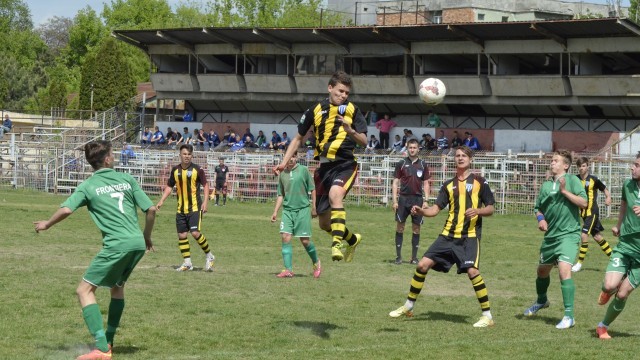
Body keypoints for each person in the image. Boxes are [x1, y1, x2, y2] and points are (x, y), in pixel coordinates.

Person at [33, 140, 156, 360]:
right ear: (107, 159)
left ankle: (101, 348)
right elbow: (151, 209)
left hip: (117, 245)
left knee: (84, 290)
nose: (114, 156)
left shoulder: (88, 186)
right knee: (117, 287)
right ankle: (108, 340)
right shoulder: (127, 179)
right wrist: (146, 236)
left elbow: (67, 209)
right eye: (113, 153)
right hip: (136, 243)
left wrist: (47, 224)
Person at [389, 146, 496, 328]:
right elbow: (435, 210)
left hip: (469, 236)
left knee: (472, 272)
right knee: (422, 265)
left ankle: (487, 316)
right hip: (447, 236)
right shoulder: (448, 185)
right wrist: (422, 211)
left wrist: (478, 210)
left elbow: (491, 208)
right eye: (457, 156)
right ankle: (408, 306)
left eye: (464, 156)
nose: (460, 158)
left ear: (470, 160)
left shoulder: (480, 182)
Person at [273, 71, 367, 262]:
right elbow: (298, 138)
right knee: (324, 224)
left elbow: (364, 141)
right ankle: (352, 239)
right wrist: (283, 163)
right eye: (340, 91)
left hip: (345, 164)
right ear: (330, 88)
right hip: (323, 169)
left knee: (335, 195)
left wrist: (350, 131)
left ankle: (337, 245)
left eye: (347, 93)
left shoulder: (353, 110)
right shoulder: (314, 110)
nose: (343, 95)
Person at [523, 150, 587, 329]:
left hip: (569, 234)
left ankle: (569, 316)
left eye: (556, 161)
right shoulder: (545, 185)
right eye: (552, 160)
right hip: (550, 237)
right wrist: (541, 219)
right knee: (542, 272)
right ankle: (542, 300)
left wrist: (565, 191)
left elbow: (584, 203)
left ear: (565, 165)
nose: (552, 163)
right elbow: (538, 208)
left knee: (564, 271)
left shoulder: (573, 180)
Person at [595, 152, 640, 339]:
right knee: (608, 285)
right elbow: (623, 205)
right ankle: (608, 289)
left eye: (636, 165)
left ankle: (602, 326)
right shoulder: (628, 185)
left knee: (622, 295)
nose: (632, 167)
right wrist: (618, 225)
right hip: (625, 245)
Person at [157, 144, 215, 272]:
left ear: (192, 155)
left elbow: (206, 185)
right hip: (180, 209)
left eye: (189, 154)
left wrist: (206, 201)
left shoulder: (197, 170)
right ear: (180, 155)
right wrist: (161, 201)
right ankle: (187, 263)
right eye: (184, 154)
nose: (187, 156)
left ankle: (209, 256)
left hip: (195, 208)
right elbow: (169, 186)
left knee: (195, 233)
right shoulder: (175, 170)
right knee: (182, 235)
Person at [270, 152, 322, 278]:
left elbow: (312, 189)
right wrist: (275, 211)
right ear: (285, 158)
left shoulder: (303, 170)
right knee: (285, 237)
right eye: (289, 157)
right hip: (287, 210)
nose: (291, 159)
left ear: (297, 157)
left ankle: (316, 262)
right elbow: (281, 194)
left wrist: (314, 207)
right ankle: (288, 269)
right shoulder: (282, 174)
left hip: (302, 209)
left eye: (294, 156)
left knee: (304, 241)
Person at [392, 139, 430, 265]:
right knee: (400, 227)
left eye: (414, 147)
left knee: (416, 229)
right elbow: (396, 182)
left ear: (418, 149)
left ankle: (414, 258)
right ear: (407, 148)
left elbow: (426, 183)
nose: (412, 149)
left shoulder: (423, 164)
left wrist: (426, 200)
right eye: (410, 147)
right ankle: (398, 257)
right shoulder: (401, 163)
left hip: (417, 200)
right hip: (403, 199)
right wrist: (394, 200)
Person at [572, 157, 612, 272]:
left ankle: (579, 264)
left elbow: (605, 189)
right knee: (597, 236)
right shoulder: (575, 179)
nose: (581, 168)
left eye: (583, 166)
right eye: (579, 166)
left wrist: (608, 197)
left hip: (592, 212)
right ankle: (614, 258)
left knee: (584, 235)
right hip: (584, 214)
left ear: (587, 166)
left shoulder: (593, 179)